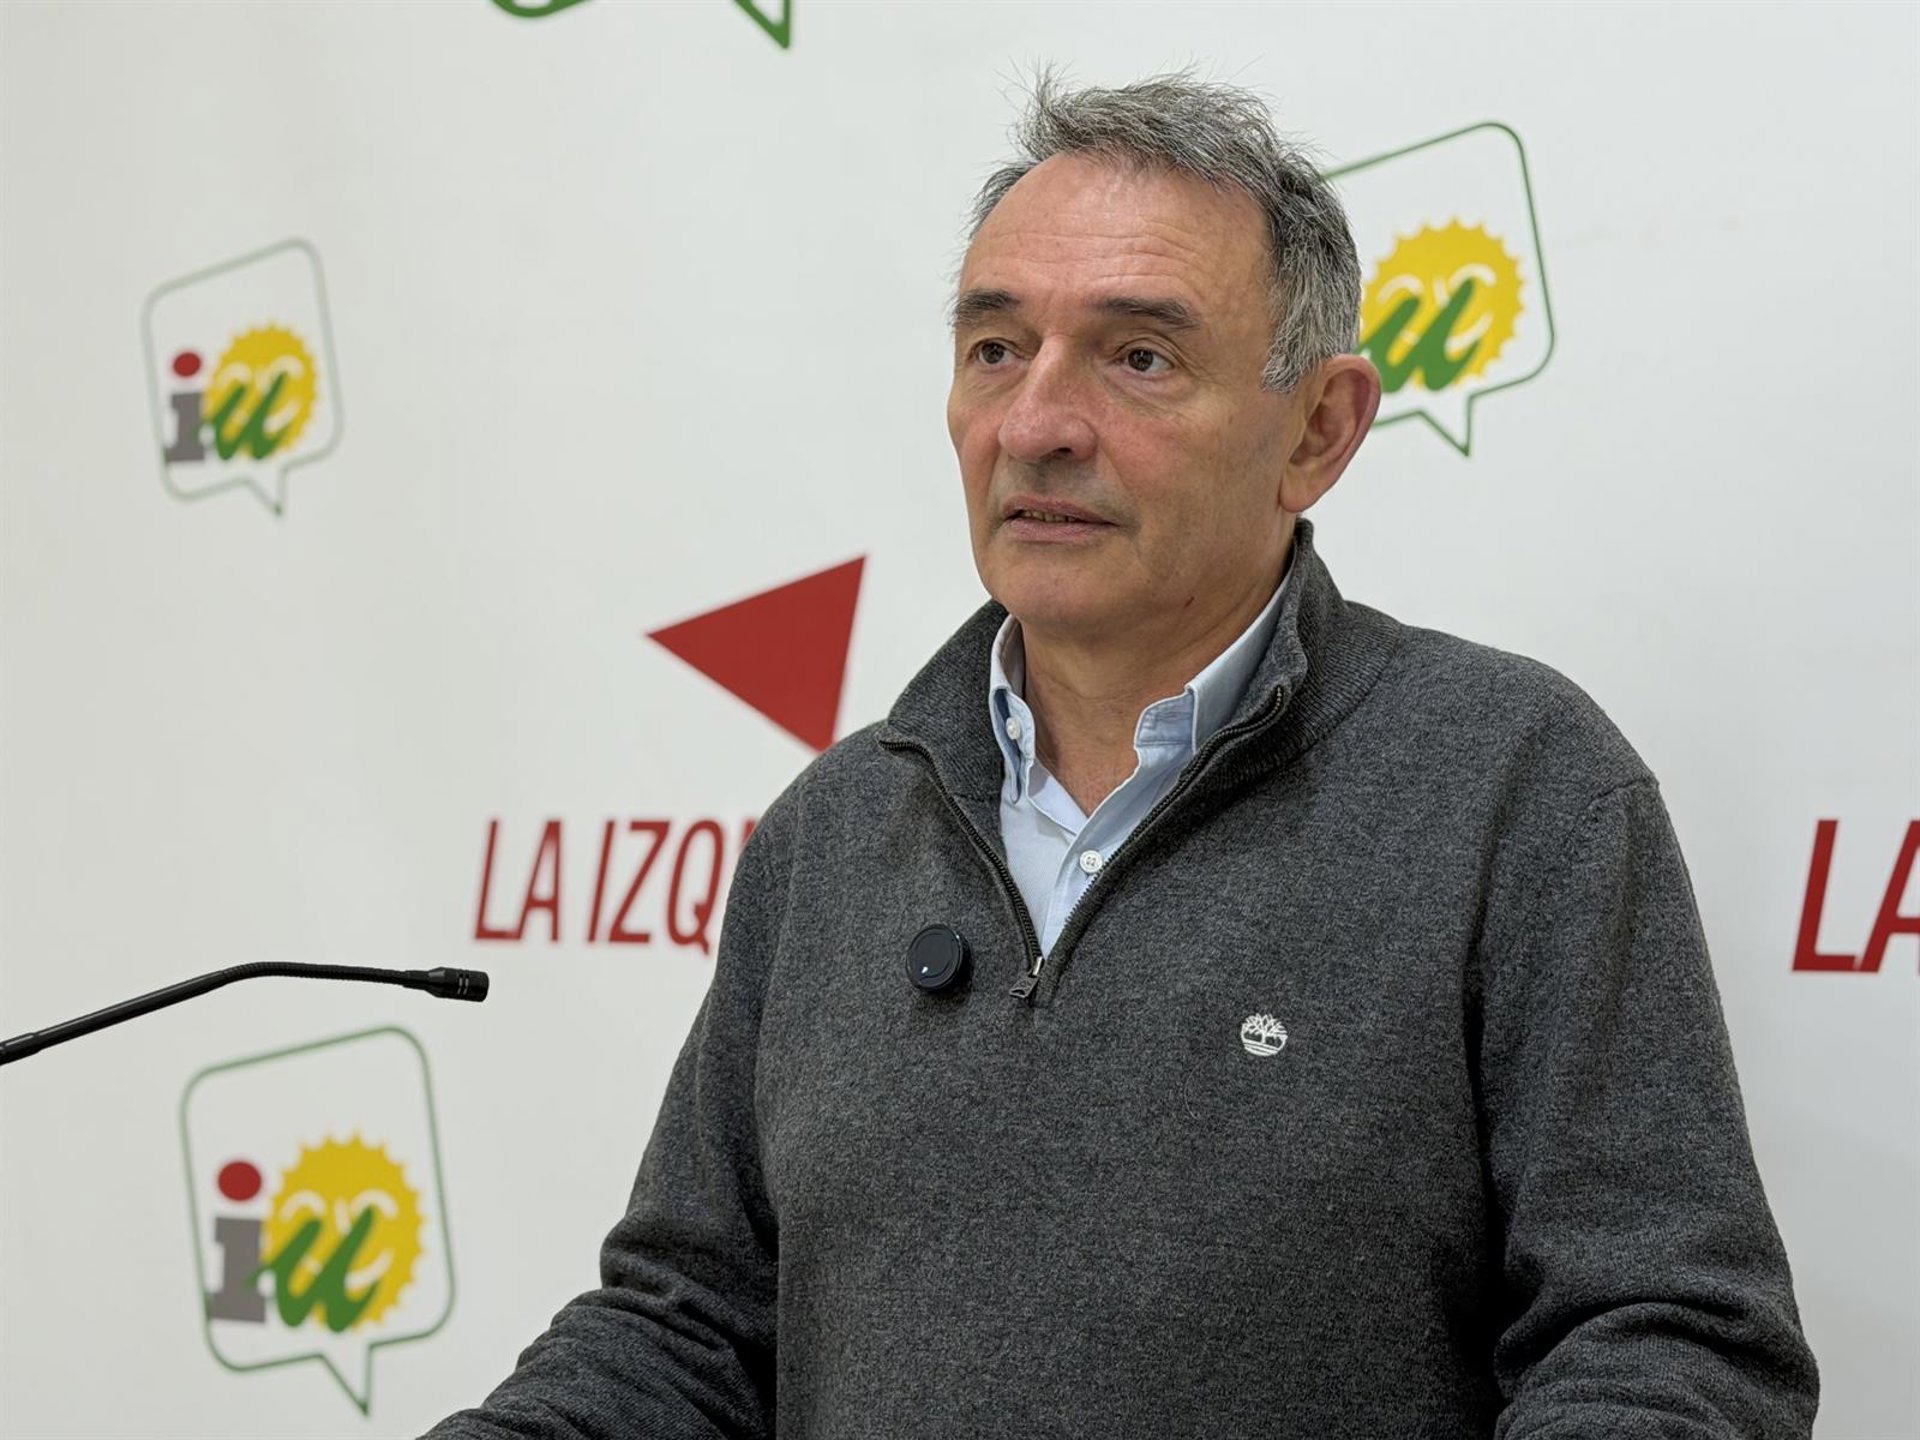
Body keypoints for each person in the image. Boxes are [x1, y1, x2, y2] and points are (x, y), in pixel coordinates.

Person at [428, 71, 1819, 1439]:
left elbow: (1672, 1341)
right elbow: (685, 1337)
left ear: (1320, 430)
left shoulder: (1516, 788)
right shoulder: (834, 829)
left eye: (1138, 357)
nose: (1035, 425)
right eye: (996, 349)